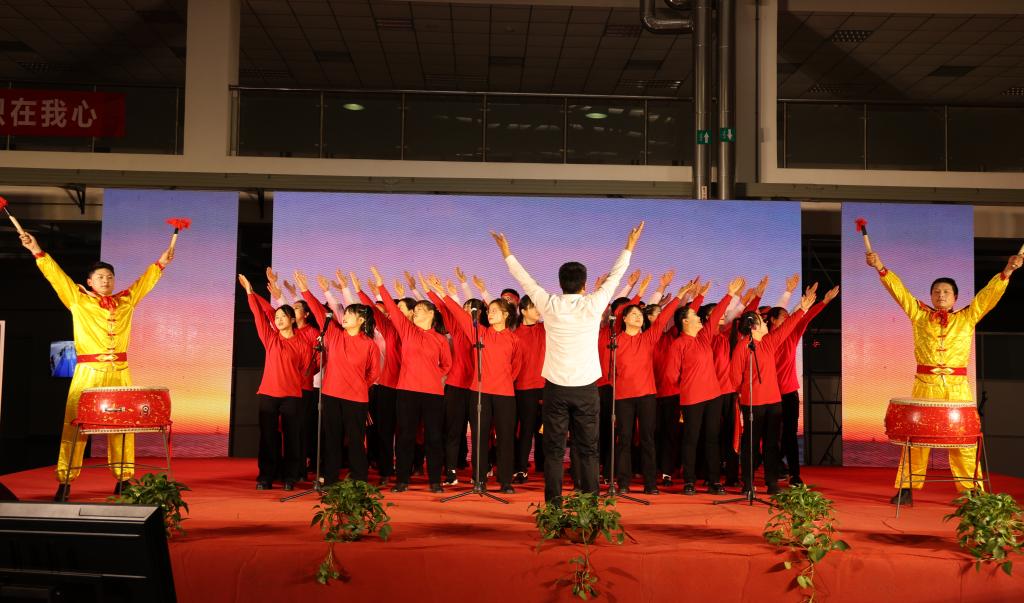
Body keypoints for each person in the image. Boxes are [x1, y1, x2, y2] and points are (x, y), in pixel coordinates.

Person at [493, 221, 644, 502]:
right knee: (588, 449)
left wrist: (506, 252)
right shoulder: (593, 303)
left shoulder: (549, 303)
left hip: (555, 389)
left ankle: (553, 505)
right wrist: (629, 246)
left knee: (553, 450)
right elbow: (615, 277)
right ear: (585, 285)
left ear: (560, 284)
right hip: (586, 389)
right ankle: (589, 504)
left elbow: (525, 280)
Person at [20, 230, 174, 502]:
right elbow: (57, 277)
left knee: (124, 424)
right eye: (101, 277)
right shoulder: (78, 300)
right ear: (90, 282)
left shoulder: (126, 301)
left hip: (120, 372)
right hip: (88, 372)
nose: (106, 280)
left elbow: (144, 283)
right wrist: (37, 251)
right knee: (75, 424)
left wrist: (161, 263)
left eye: (110, 276)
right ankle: (65, 481)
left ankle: (124, 479)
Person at [866, 250, 1022, 505]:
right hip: (925, 385)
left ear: (955, 297)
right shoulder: (919, 314)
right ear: (930, 296)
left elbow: (988, 296)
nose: (941, 295)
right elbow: (900, 292)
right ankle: (906, 488)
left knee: (963, 439)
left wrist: (1008, 271)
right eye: (936, 291)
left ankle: (972, 492)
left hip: (957, 388)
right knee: (916, 437)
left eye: (946, 292)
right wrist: (880, 267)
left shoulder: (968, 317)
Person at [428, 276, 521, 493]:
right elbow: (460, 315)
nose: (490, 313)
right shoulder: (479, 333)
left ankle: (505, 481)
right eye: (490, 311)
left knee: (505, 438)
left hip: (505, 395)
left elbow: (516, 367)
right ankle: (479, 479)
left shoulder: (514, 339)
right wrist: (443, 294)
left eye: (495, 311)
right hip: (479, 393)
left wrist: (503, 382)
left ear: (506, 315)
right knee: (480, 436)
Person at [370, 268, 452, 493]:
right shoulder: (407, 331)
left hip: (433, 394)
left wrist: (433, 375)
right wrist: (380, 285)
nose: (415, 313)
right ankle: (402, 480)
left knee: (433, 437)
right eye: (414, 310)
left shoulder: (440, 339)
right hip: (407, 391)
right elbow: (392, 309)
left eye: (420, 310)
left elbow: (447, 365)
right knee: (405, 436)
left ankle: (435, 481)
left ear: (432, 314)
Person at [295, 271, 380, 484]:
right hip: (331, 395)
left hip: (356, 399)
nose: (345, 317)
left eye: (350, 314)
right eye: (346, 313)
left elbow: (374, 372)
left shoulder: (369, 344)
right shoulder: (334, 334)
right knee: (331, 438)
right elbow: (317, 310)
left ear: (361, 320)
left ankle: (359, 479)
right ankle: (330, 478)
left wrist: (359, 385)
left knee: (355, 440)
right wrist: (305, 290)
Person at [731, 288, 814, 495]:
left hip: (773, 402)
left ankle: (771, 482)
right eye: (761, 321)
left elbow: (786, 328)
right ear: (752, 326)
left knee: (771, 444)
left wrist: (802, 310)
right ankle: (748, 483)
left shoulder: (768, 342)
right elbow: (734, 377)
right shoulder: (742, 347)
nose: (766, 323)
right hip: (753, 403)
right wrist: (745, 391)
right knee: (751, 444)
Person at [609, 280, 688, 494]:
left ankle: (650, 484)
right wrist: (638, 293)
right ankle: (623, 483)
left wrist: (678, 296)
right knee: (624, 440)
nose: (637, 317)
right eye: (633, 314)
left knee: (647, 440)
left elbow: (662, 319)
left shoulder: (648, 338)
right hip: (623, 397)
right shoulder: (615, 340)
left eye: (639, 314)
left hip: (646, 396)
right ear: (624, 319)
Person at [670, 277, 744, 495]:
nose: (699, 318)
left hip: (713, 396)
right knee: (691, 439)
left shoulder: (703, 338)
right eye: (694, 316)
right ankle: (689, 481)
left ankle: (713, 481)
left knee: (712, 439)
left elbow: (714, 317)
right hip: (692, 398)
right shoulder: (678, 344)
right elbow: (671, 375)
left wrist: (730, 294)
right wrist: (688, 387)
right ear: (685, 321)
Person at [239, 275, 308, 491]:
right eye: (276, 317)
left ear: (292, 320)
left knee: (292, 437)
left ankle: (290, 477)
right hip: (268, 393)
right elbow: (259, 315)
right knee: (268, 437)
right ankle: (266, 476)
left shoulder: (302, 343)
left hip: (291, 396)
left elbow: (305, 367)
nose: (277, 320)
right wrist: (249, 292)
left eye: (282, 316)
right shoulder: (270, 338)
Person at [767, 283, 839, 487]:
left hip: (789, 392)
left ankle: (794, 475)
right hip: (769, 395)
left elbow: (805, 318)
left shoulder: (792, 334)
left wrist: (824, 301)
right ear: (772, 320)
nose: (788, 319)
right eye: (784, 317)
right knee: (771, 436)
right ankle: (774, 469)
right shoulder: (765, 340)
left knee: (789, 435)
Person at [512, 295, 545, 484]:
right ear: (523, 311)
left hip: (547, 386)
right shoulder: (516, 335)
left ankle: (546, 466)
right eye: (533, 307)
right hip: (524, 387)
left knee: (547, 430)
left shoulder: (546, 329)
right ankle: (521, 468)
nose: (538, 310)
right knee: (526, 429)